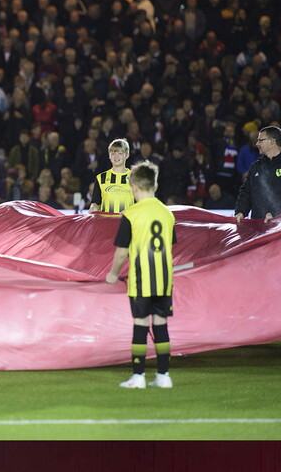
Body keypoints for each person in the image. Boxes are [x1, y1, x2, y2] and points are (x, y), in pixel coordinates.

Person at [105, 161, 177, 389]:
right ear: (154, 185)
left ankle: (138, 376)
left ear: (134, 187)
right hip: (164, 281)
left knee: (140, 325)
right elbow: (169, 246)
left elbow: (122, 251)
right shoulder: (167, 214)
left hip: (141, 280)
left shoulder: (131, 214)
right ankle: (164, 376)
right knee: (161, 325)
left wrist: (113, 274)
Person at [235, 126, 281, 222]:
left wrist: (275, 213)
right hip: (258, 227)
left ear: (271, 142)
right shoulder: (256, 166)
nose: (257, 144)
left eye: (260, 140)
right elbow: (246, 192)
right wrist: (241, 212)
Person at [89, 138, 134, 214]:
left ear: (127, 155)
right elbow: (96, 202)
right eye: (113, 153)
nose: (116, 157)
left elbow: (141, 203)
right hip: (106, 223)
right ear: (109, 156)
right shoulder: (101, 178)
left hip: (128, 223)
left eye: (120, 153)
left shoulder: (135, 178)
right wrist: (93, 208)